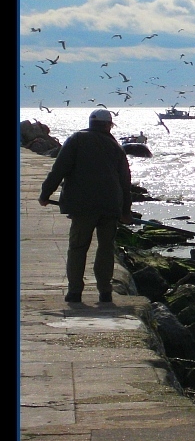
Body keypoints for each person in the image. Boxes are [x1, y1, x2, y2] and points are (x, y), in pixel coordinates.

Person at [38, 109, 133, 303]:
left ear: (91, 123)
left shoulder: (76, 140)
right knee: (106, 248)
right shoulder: (116, 147)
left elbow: (59, 169)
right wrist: (125, 211)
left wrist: (45, 194)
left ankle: (74, 292)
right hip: (110, 206)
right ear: (108, 125)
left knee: (78, 247)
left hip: (82, 206)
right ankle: (105, 292)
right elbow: (125, 181)